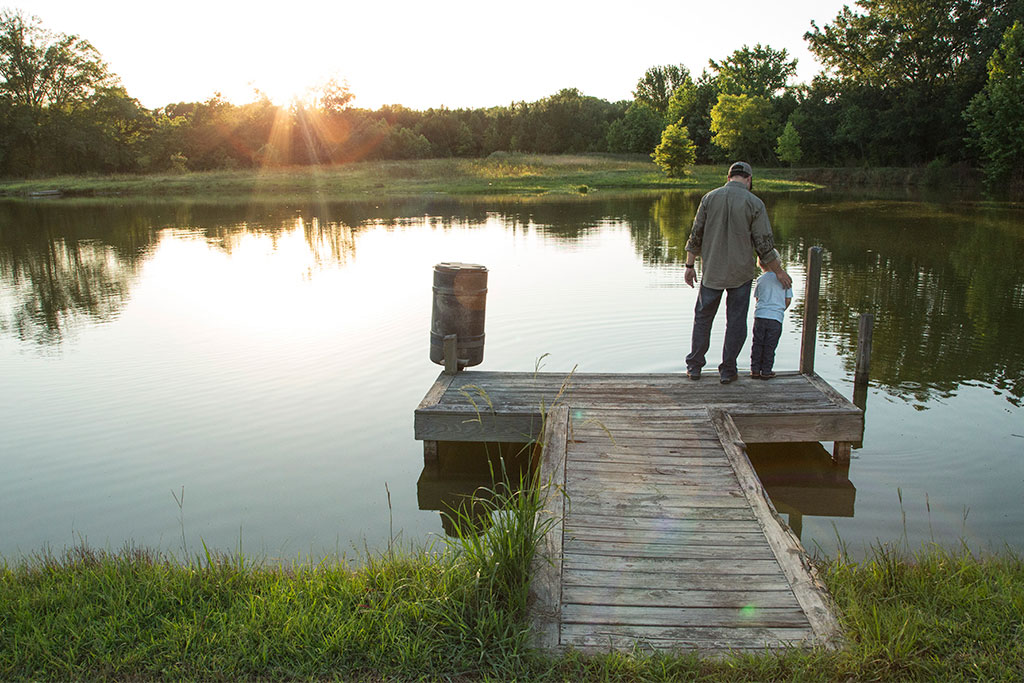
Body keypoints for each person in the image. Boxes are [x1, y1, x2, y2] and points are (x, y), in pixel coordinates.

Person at [683, 161, 792, 383]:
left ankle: (694, 367)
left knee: (703, 319)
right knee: (735, 321)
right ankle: (728, 370)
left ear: (728, 176)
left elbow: (696, 234)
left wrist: (689, 265)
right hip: (741, 275)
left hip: (712, 271)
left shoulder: (709, 198)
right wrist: (779, 272)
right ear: (749, 179)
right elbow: (764, 244)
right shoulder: (755, 203)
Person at [750, 262, 793, 379]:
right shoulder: (786, 279)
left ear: (760, 264)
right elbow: (788, 300)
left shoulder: (760, 279)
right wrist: (779, 310)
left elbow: (758, 298)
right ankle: (766, 371)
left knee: (757, 344)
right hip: (776, 318)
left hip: (760, 316)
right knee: (770, 345)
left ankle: (755, 370)